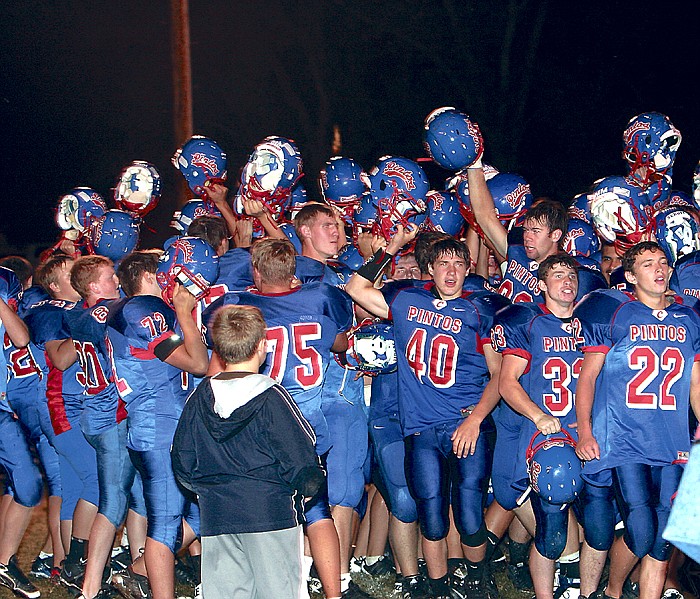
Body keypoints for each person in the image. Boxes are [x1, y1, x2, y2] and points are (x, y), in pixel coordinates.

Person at [346, 227, 502, 598]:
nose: (451, 271)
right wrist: (393, 247)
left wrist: (475, 420)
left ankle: (478, 579)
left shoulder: (480, 309)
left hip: (467, 424)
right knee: (430, 516)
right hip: (421, 428)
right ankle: (438, 586)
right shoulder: (407, 300)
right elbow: (355, 289)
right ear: (429, 268)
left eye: (459, 264)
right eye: (443, 263)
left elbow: (499, 376)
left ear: (468, 270)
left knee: (467, 516)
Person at [172, 304, 325, 599]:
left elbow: (181, 458)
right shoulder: (270, 395)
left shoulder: (200, 396)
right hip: (271, 514)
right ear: (262, 346)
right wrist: (307, 486)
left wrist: (207, 490)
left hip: (217, 516)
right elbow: (301, 458)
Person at [575, 241, 700, 599]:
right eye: (647, 264)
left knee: (664, 539)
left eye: (663, 262)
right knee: (642, 530)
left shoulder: (689, 318)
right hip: (625, 438)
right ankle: (612, 592)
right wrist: (584, 430)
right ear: (630, 276)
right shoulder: (615, 313)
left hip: (673, 439)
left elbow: (695, 383)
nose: (659, 269)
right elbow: (588, 377)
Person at [106, 251, 209, 599]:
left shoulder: (137, 309)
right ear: (149, 277)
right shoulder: (140, 310)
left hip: (170, 428)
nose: (171, 279)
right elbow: (197, 364)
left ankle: (136, 571)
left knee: (202, 513)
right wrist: (183, 311)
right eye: (164, 273)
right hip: (158, 431)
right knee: (164, 527)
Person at [493, 254, 584, 599]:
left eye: (571, 275)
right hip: (547, 434)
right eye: (558, 275)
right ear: (542, 285)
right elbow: (508, 382)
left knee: (591, 517)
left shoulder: (589, 321)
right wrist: (538, 416)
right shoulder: (528, 322)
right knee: (552, 526)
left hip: (583, 432)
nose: (567, 281)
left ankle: (575, 584)